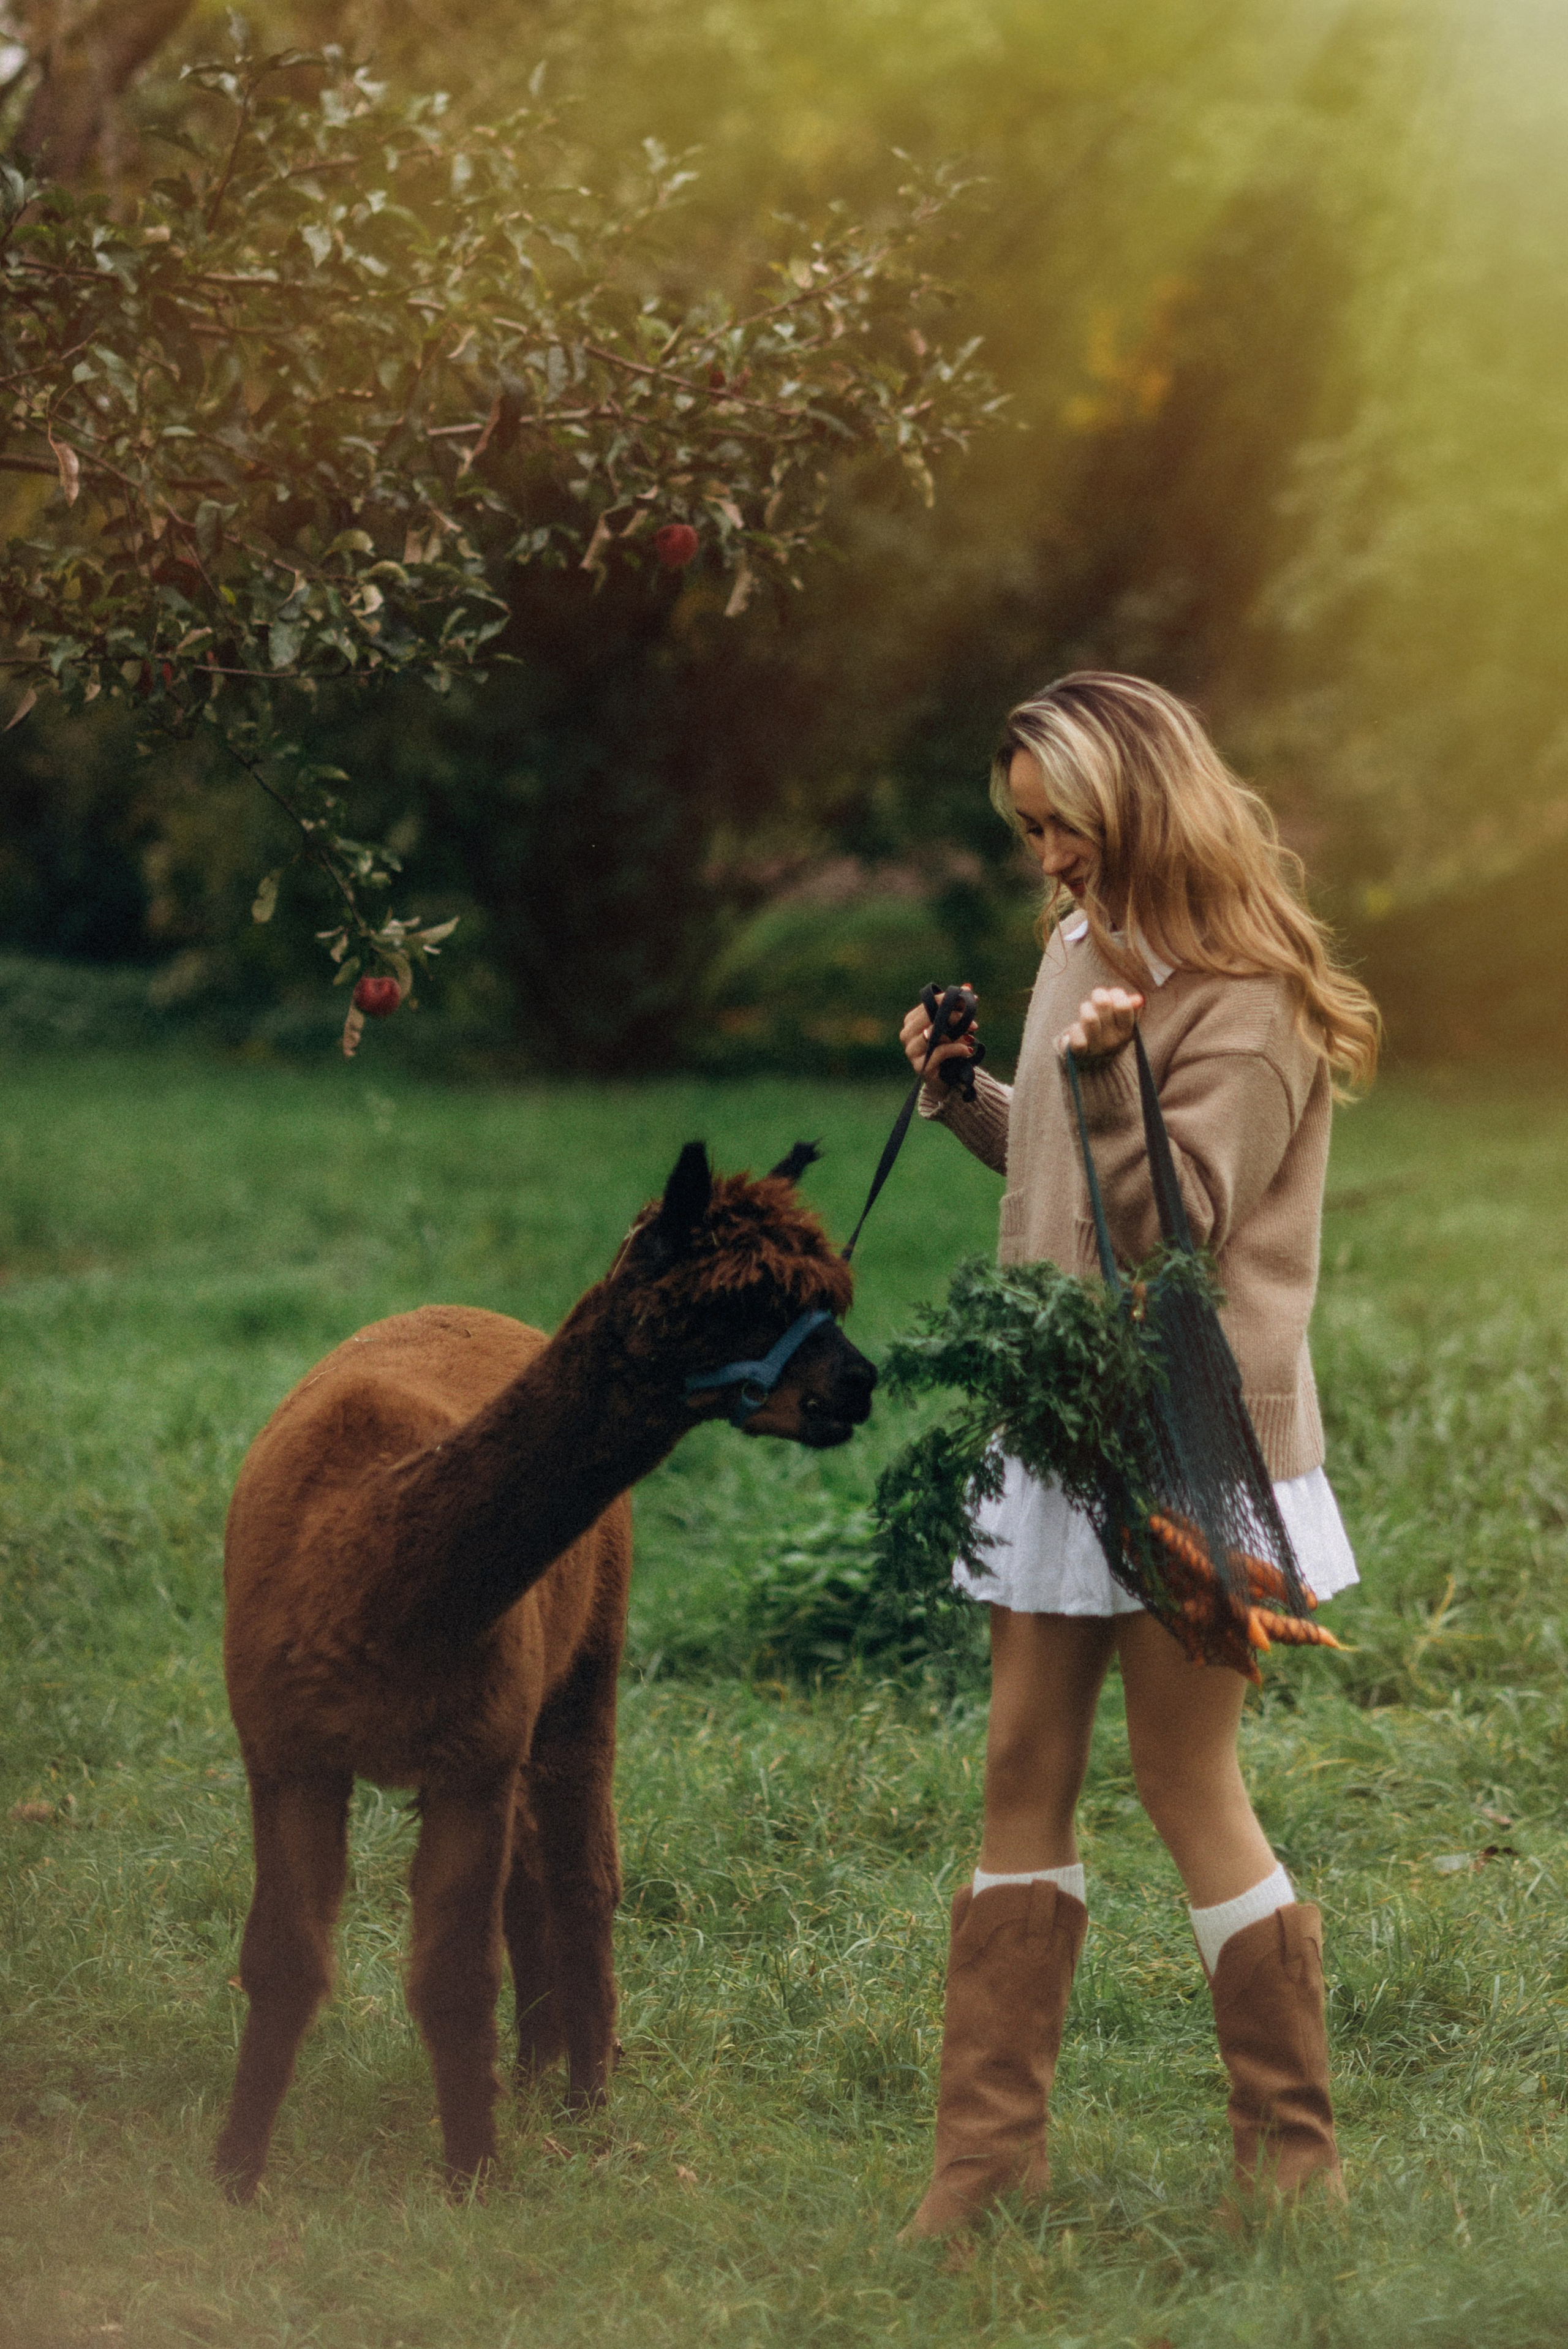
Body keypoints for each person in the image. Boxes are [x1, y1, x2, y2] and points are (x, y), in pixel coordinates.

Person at [898, 671, 1378, 2238]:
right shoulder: (1069, 955)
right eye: (1030, 831)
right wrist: (967, 1097)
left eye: (1063, 827)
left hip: (1190, 1446)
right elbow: (1063, 1178)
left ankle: (1289, 2169)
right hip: (1057, 1423)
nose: (1045, 859)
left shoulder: (1251, 1006)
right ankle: (981, 2179)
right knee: (1017, 1766)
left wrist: (1108, 1081)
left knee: (1183, 1777)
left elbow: (1171, 1231)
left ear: (1142, 806)